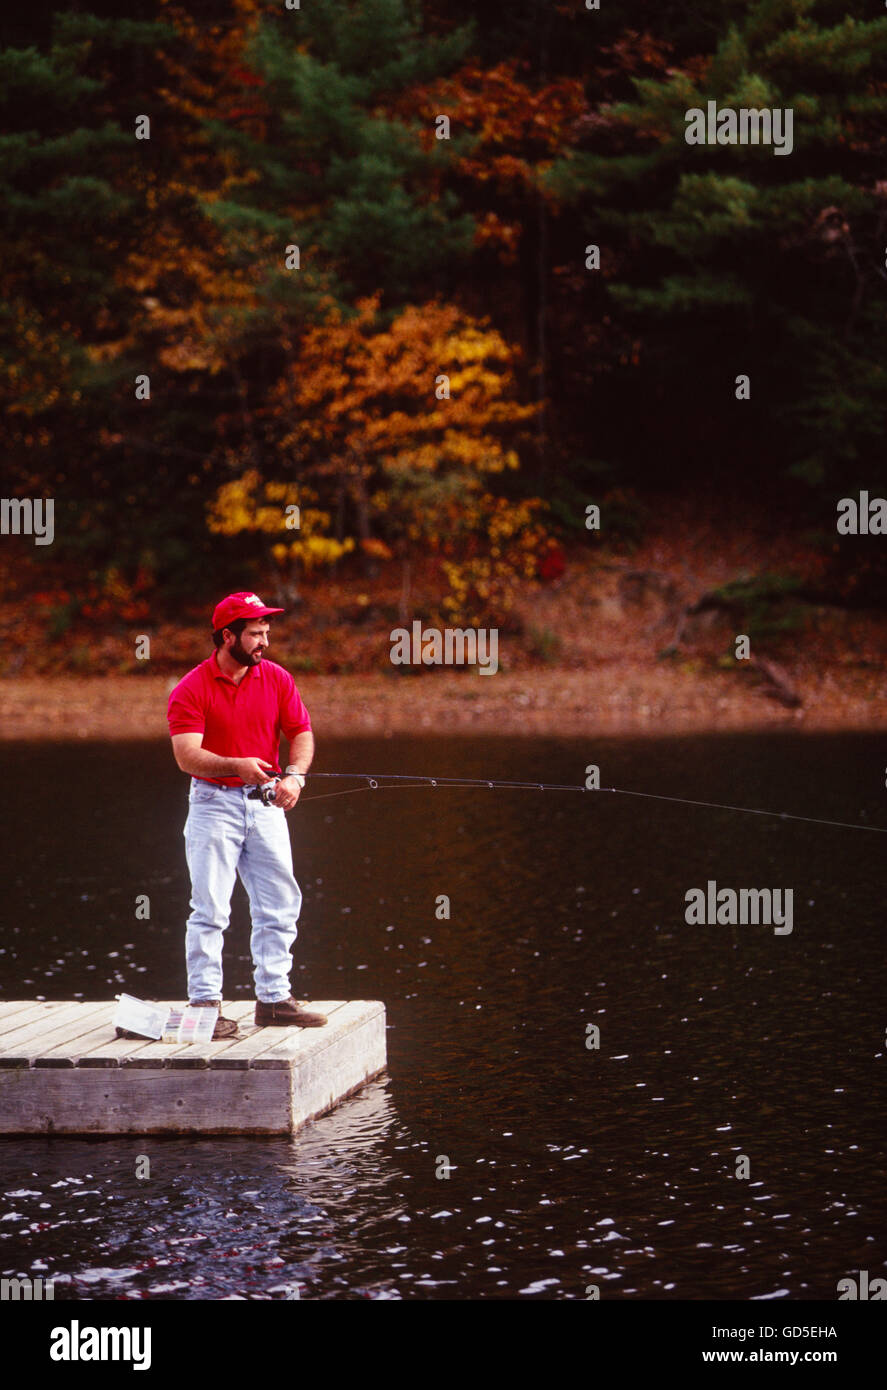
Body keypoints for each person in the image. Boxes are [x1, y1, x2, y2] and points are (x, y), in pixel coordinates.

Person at [166, 591, 327, 1038]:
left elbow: (301, 733)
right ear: (227, 635)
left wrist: (294, 777)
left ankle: (274, 1000)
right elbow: (187, 756)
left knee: (280, 904)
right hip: (212, 804)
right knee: (211, 910)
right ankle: (204, 1006)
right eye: (256, 633)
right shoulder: (191, 689)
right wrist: (236, 766)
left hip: (268, 804)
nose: (264, 642)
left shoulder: (276, 679)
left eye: (266, 632)